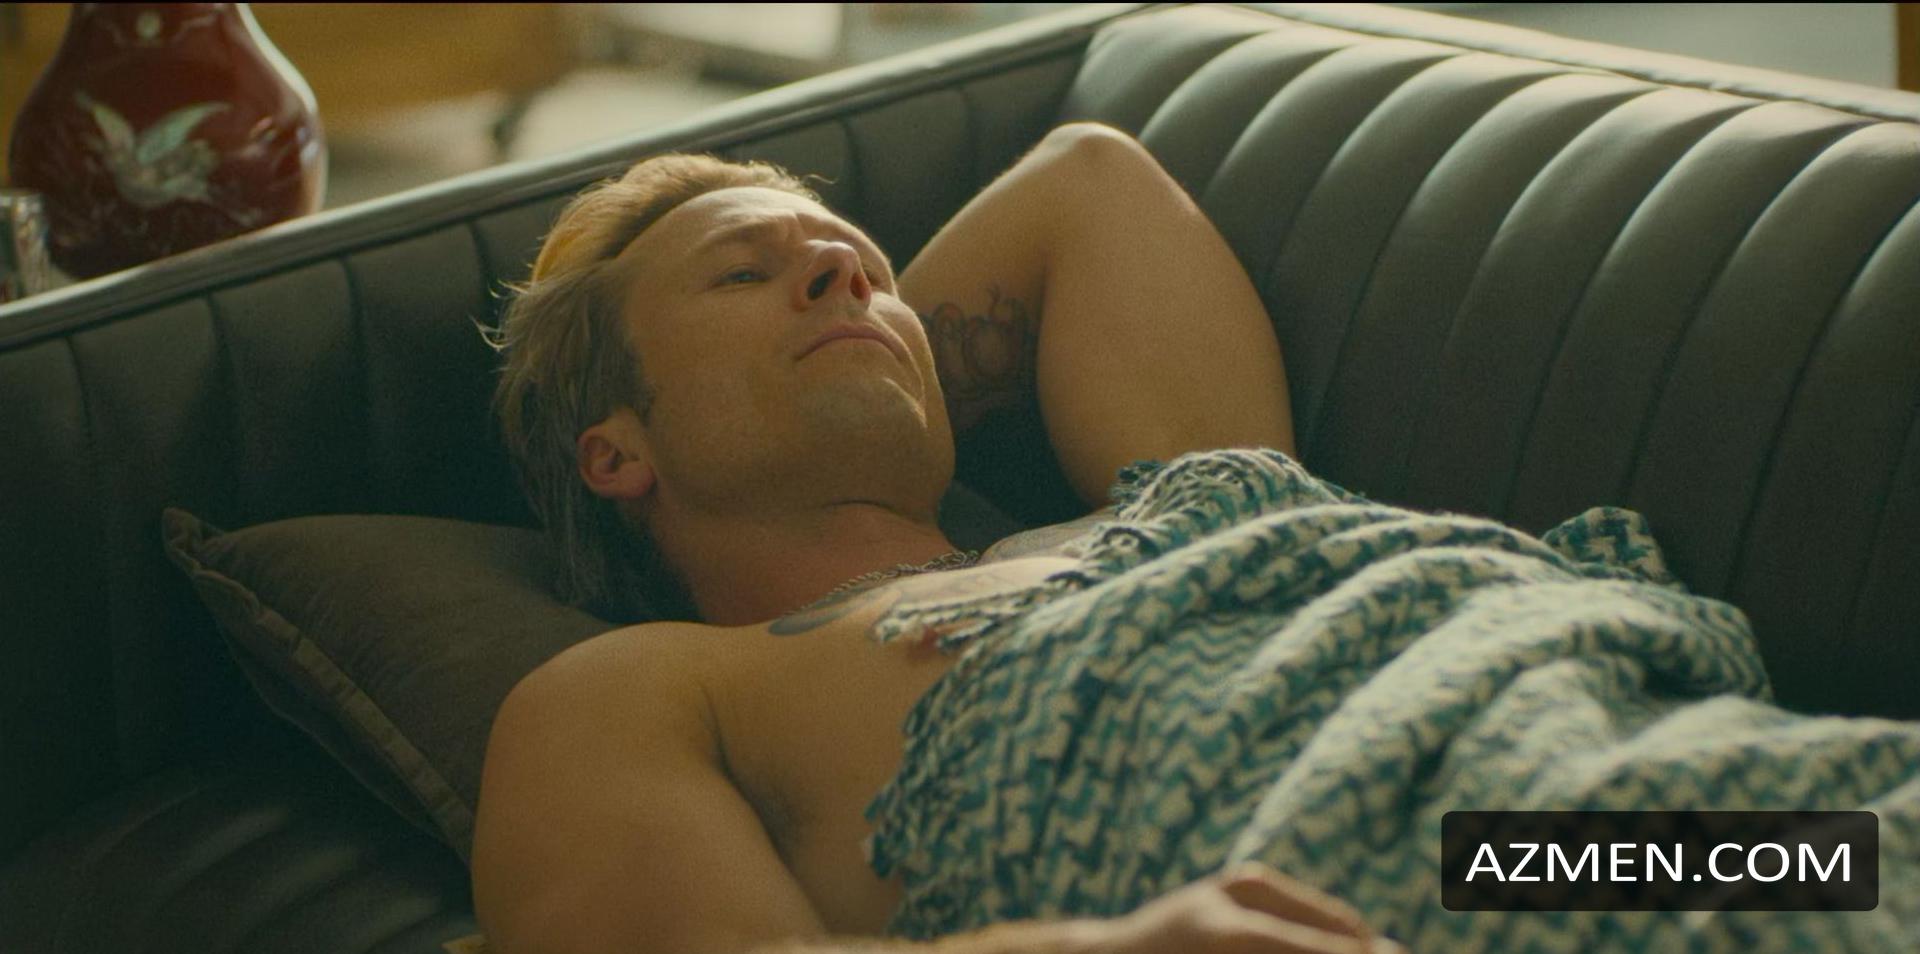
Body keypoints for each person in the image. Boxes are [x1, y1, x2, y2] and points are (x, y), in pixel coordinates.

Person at [471, 121, 1404, 953]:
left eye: (874, 277)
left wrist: (845, 342)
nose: (848, 276)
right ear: (615, 453)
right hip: (1387, 885)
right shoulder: (642, 693)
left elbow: (1089, 174)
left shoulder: (1177, 494)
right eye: (741, 273)